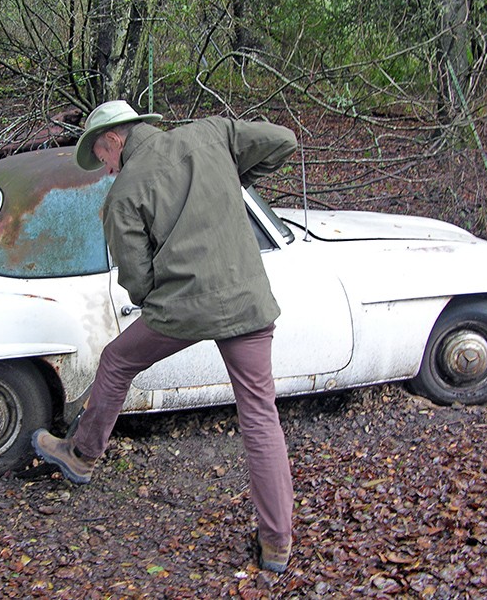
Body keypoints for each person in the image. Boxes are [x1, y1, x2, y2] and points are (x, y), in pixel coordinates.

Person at [32, 100, 297, 573]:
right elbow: (283, 141)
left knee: (116, 360)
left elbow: (135, 279)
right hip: (246, 300)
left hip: (183, 308)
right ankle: (276, 543)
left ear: (115, 139)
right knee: (260, 414)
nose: (108, 170)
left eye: (104, 158)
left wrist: (165, 297)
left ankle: (82, 454)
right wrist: (237, 181)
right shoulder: (212, 134)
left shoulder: (123, 195)